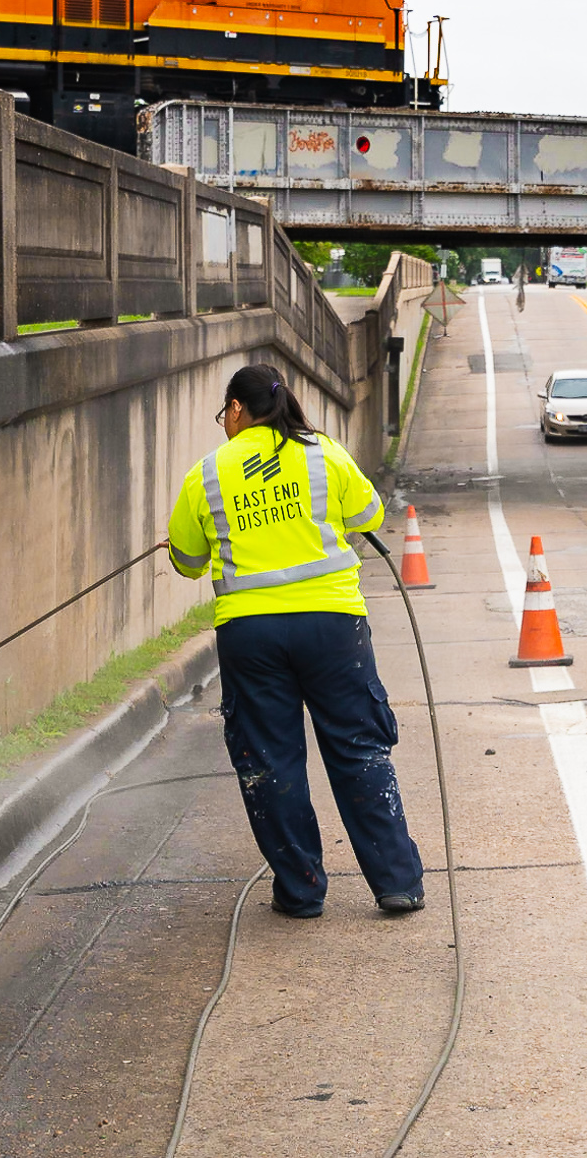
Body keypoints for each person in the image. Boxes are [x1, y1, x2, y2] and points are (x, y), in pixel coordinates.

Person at [166, 364, 425, 918]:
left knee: (269, 761)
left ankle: (301, 890)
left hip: (251, 633)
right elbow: (369, 514)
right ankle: (397, 882)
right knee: (358, 747)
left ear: (235, 409)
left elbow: (187, 562)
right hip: (332, 625)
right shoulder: (322, 453)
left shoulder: (207, 474)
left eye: (224, 414)